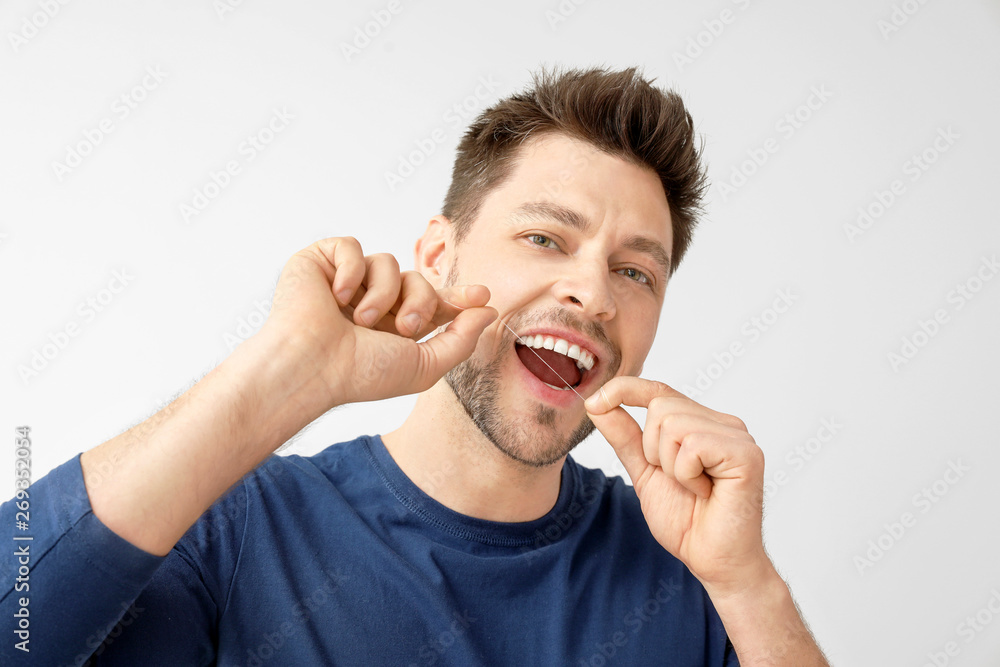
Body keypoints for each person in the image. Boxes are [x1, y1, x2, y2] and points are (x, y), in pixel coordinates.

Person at [1, 66, 829, 665]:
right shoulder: (243, 527)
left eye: (635, 271)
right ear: (440, 253)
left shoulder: (687, 568)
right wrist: (282, 374)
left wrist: (750, 585)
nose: (593, 292)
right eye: (545, 237)